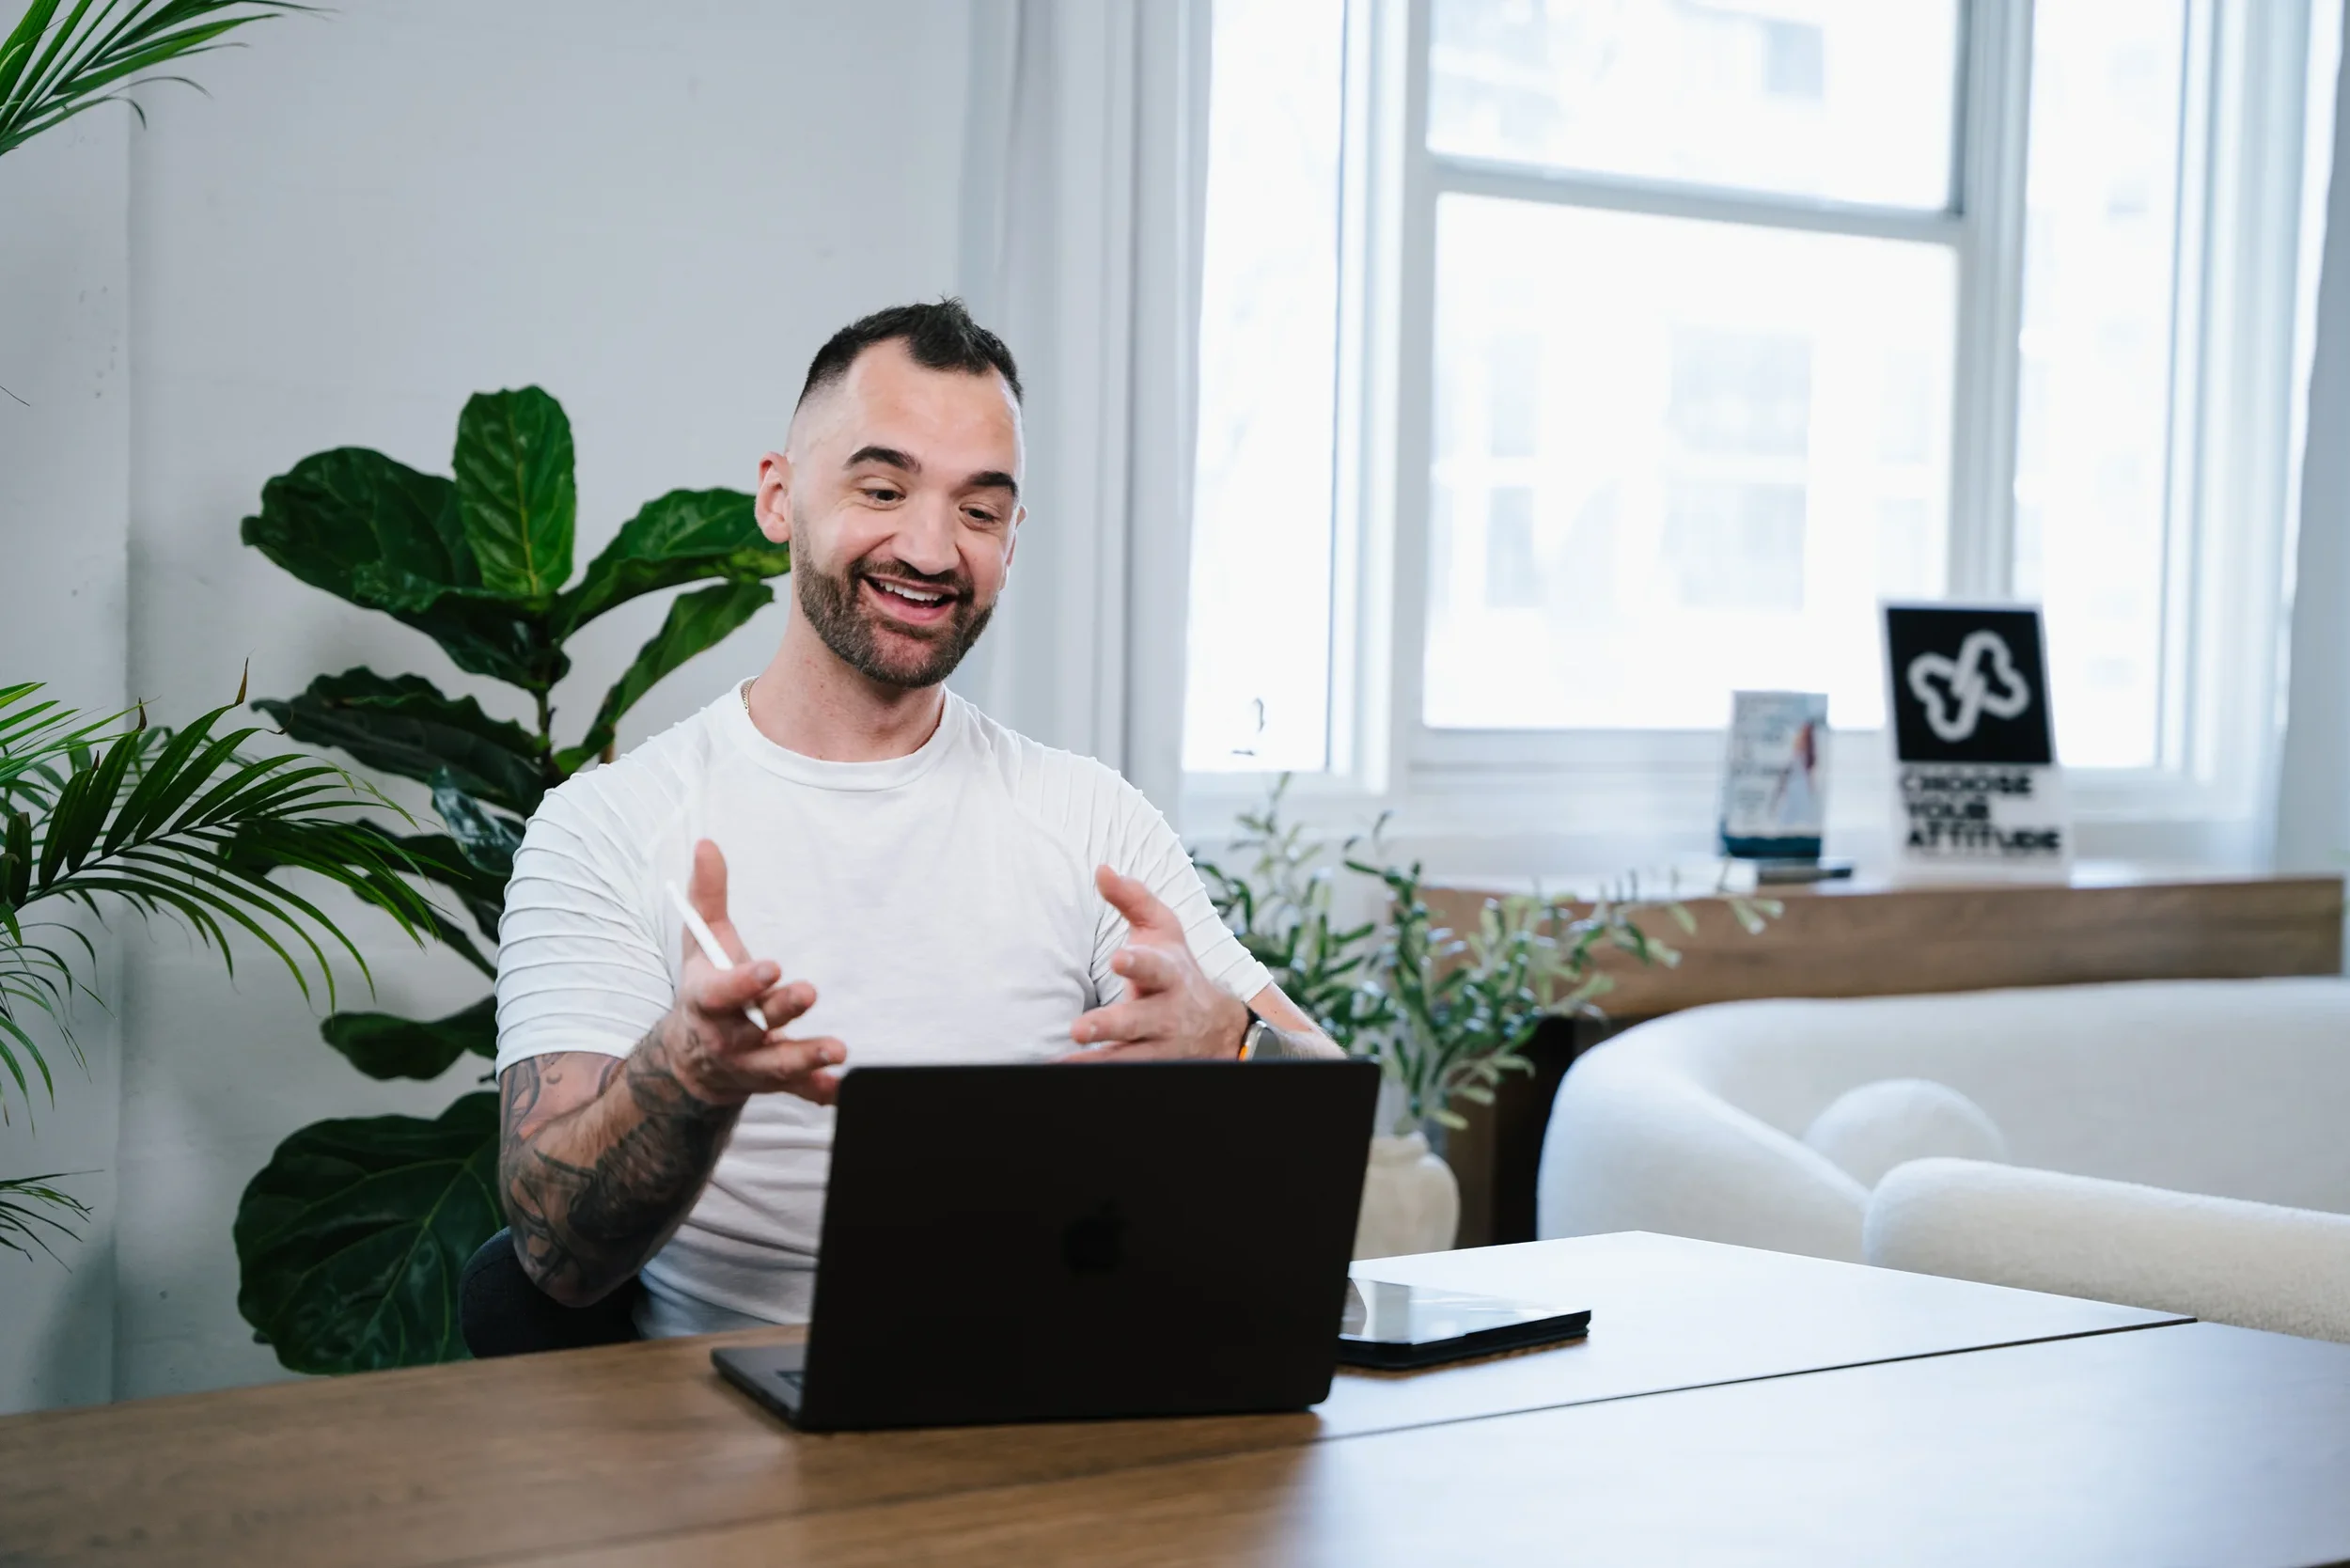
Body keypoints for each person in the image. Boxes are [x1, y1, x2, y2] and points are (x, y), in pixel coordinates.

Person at [492, 299, 1340, 1335]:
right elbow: (549, 1257)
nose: (933, 551)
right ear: (778, 498)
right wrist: (686, 1074)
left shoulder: (1089, 818)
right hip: (723, 1429)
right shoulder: (607, 826)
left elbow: (1331, 1134)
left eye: (979, 512)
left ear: (1012, 538)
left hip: (1065, 1395)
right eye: (883, 488)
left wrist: (1234, 1040)